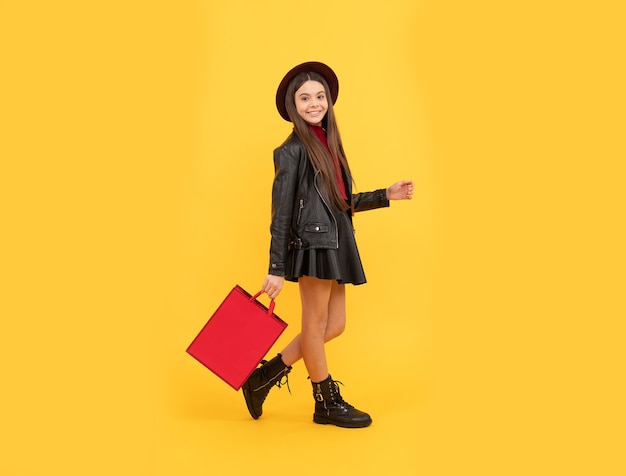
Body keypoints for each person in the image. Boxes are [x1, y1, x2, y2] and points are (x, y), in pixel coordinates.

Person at [242, 61, 414, 428]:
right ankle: (325, 402)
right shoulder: (290, 151)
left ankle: (263, 377)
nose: (314, 103)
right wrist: (276, 268)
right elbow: (281, 214)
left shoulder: (328, 142)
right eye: (305, 98)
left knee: (333, 326)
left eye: (320, 96)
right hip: (312, 245)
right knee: (316, 324)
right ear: (293, 106)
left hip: (336, 242)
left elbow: (340, 200)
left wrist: (387, 194)